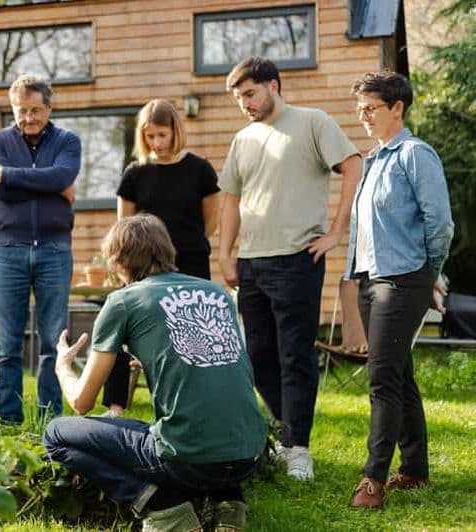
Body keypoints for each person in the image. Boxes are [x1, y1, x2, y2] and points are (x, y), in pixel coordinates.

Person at [44, 214, 265, 532]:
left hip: (190, 461)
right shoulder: (217, 293)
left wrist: (63, 367)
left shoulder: (123, 301)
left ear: (118, 261)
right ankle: (229, 504)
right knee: (152, 427)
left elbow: (82, 402)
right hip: (249, 455)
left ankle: (162, 507)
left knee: (57, 434)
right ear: (167, 251)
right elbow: (213, 360)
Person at [218, 57, 363, 480]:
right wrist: (226, 254)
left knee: (294, 355)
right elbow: (230, 199)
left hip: (299, 258)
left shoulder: (312, 122)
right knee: (259, 354)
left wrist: (338, 231)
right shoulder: (242, 139)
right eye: (238, 97)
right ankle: (285, 432)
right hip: (252, 262)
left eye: (249, 93)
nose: (243, 103)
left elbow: (354, 164)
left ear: (273, 85)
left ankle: (298, 448)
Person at [347, 71, 453, 509]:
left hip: (403, 279)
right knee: (400, 374)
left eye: (371, 108)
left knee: (382, 380)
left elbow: (440, 223)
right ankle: (414, 469)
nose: (363, 116)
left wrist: (432, 274)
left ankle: (372, 480)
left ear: (397, 108)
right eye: (360, 108)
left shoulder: (415, 155)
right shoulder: (374, 159)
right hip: (372, 279)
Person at [102, 98, 221, 417]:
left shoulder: (200, 169)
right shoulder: (134, 174)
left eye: (162, 135)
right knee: (122, 327)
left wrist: (182, 246)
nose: (156, 143)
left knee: (195, 336)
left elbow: (211, 223)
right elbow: (123, 228)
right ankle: (115, 407)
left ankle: (197, 406)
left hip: (191, 263)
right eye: (150, 136)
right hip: (143, 268)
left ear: (175, 132)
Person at [0, 75, 81, 423]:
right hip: (9, 250)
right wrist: (44, 181)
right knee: (8, 345)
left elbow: (61, 177)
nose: (28, 118)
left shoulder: (68, 141)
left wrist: (9, 175)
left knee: (54, 342)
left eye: (35, 110)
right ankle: (9, 418)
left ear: (49, 108)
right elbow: (3, 193)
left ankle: (48, 418)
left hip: (55, 250)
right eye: (21, 111)